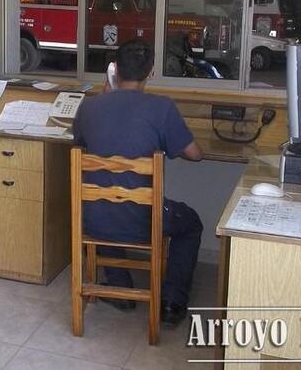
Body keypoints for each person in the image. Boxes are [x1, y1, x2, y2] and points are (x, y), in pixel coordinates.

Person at [72, 40, 204, 327]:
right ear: (151, 72)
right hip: (144, 221)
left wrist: (107, 94)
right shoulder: (162, 108)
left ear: (114, 69)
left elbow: (79, 143)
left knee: (105, 202)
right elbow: (195, 155)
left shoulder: (89, 107)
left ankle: (120, 289)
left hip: (90, 219)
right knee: (191, 223)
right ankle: (171, 301)